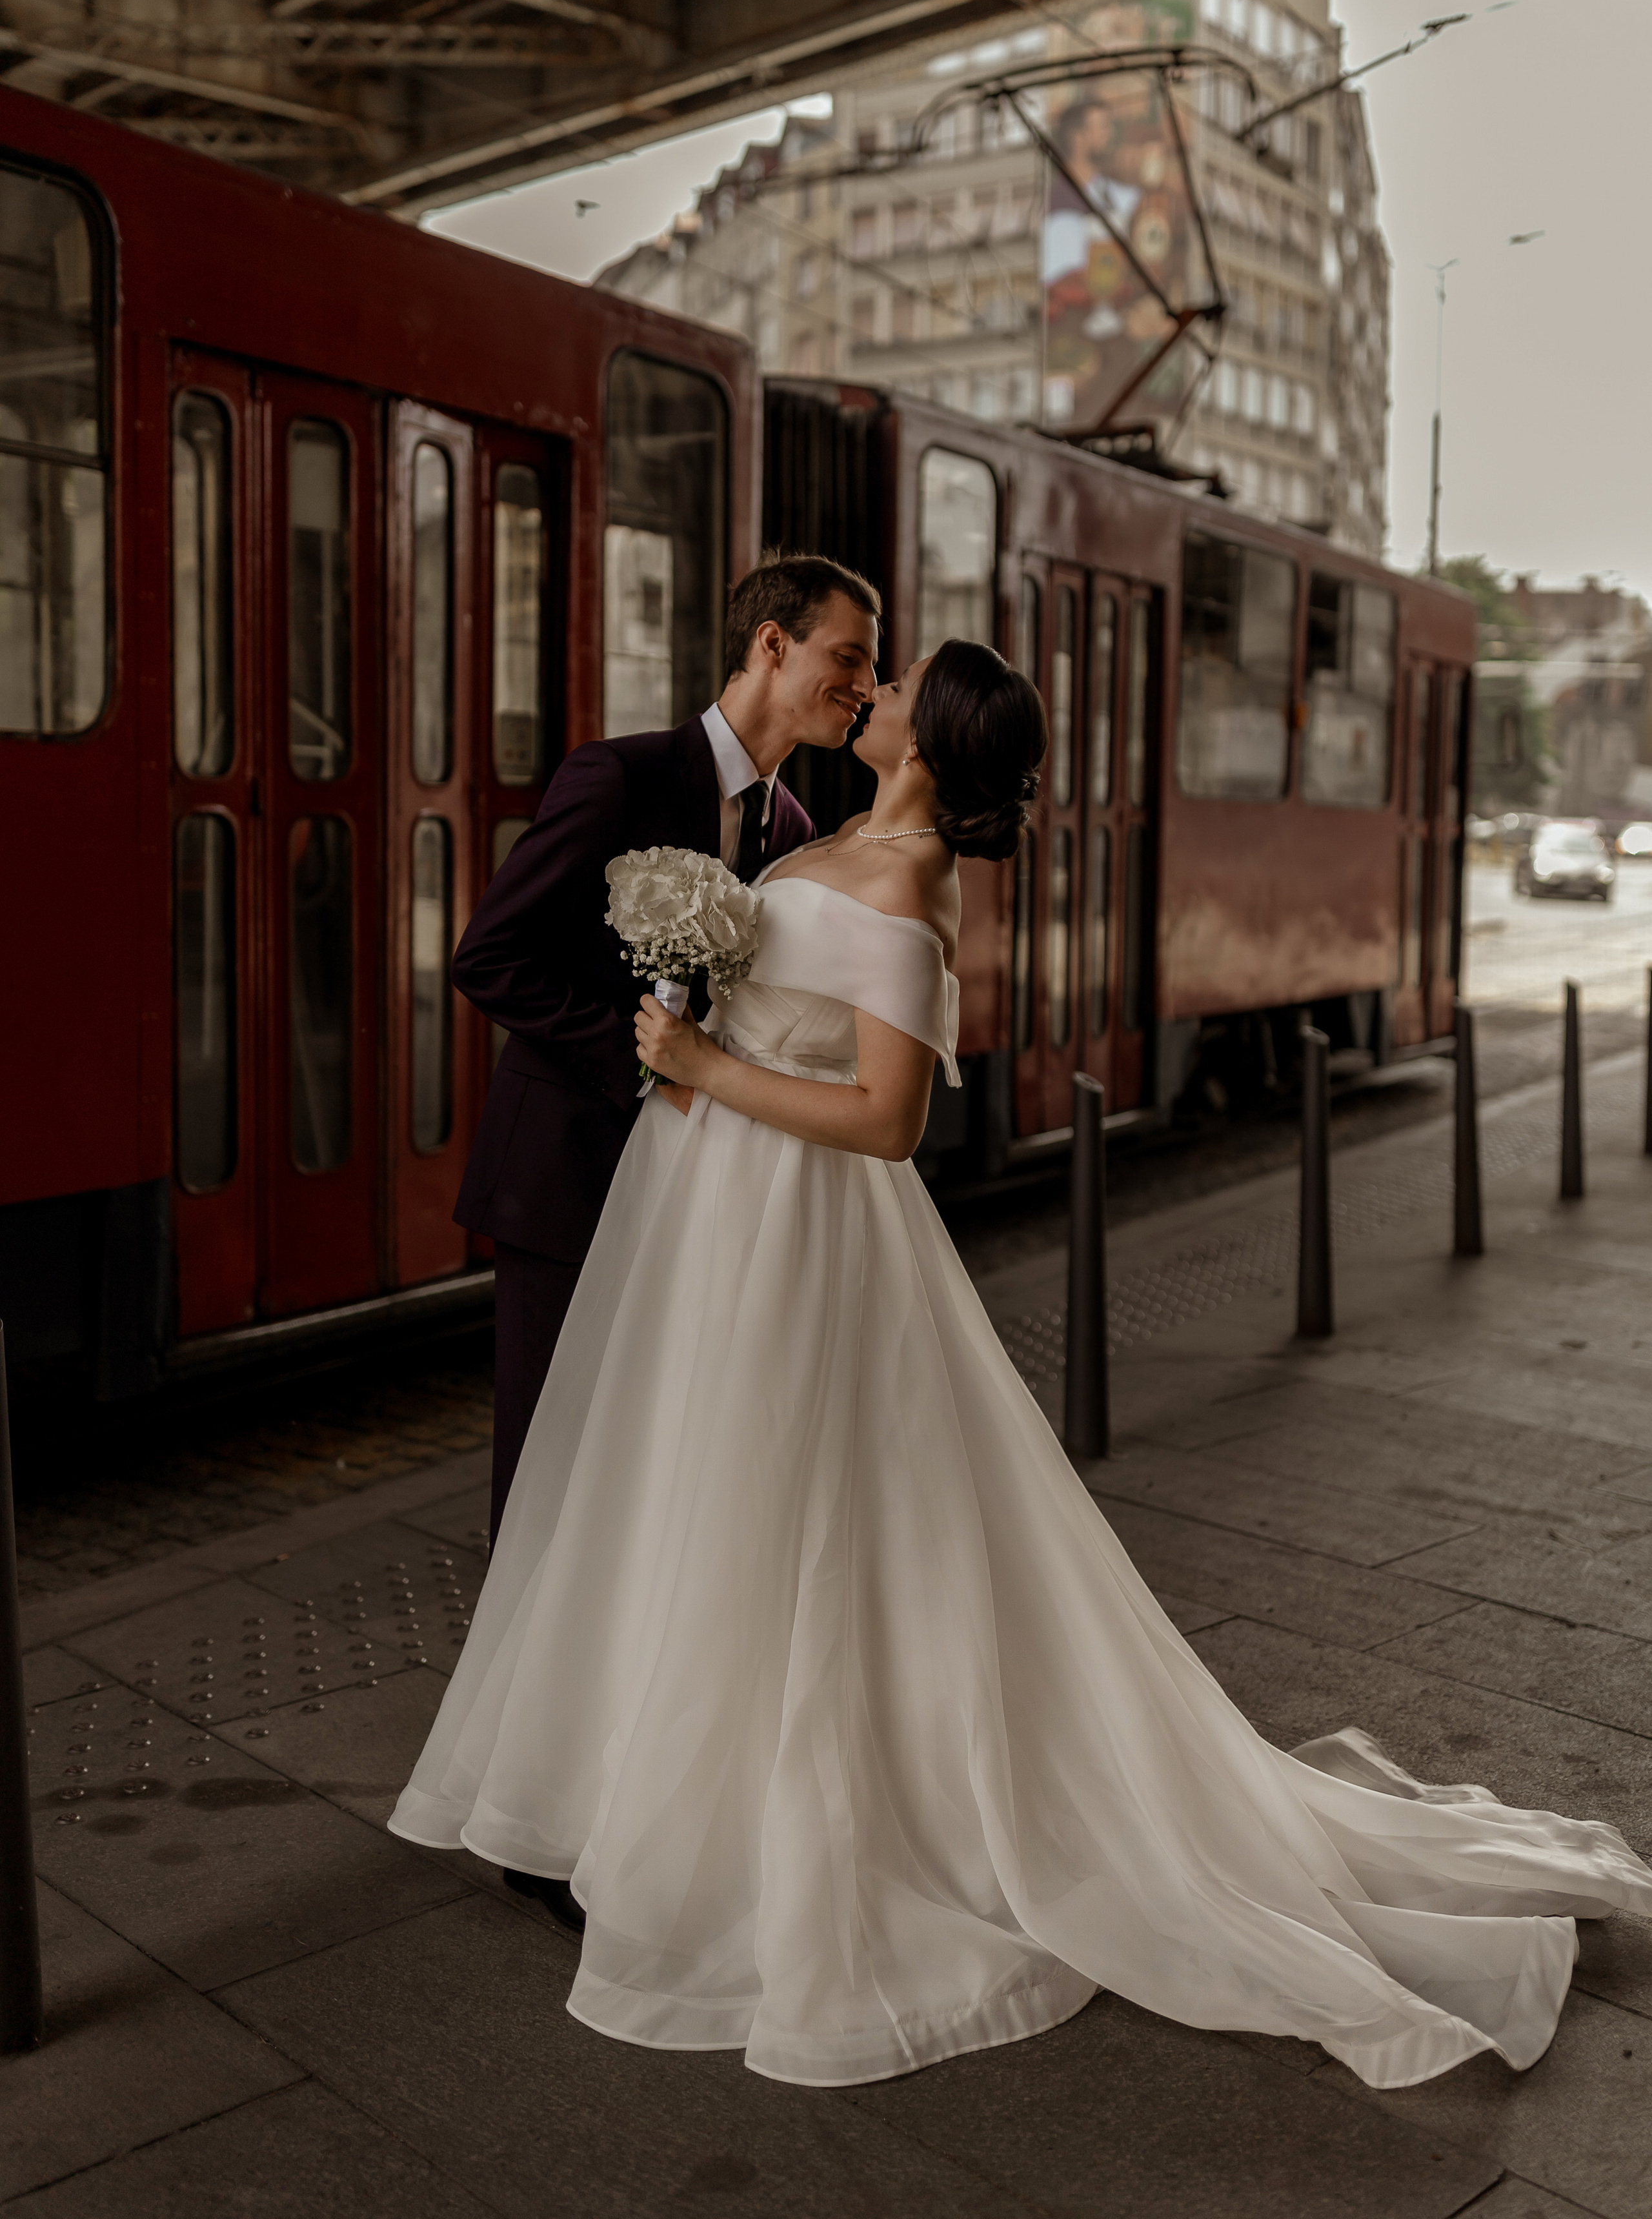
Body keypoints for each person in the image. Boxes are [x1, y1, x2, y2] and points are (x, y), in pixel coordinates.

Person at [394, 639, 1652, 2090]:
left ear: (929, 738)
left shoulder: (906, 886)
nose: (870, 689)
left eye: (896, 680)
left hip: (793, 1225)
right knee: (692, 1494)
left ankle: (761, 1826)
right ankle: (654, 1801)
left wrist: (701, 1069)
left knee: (781, 1515)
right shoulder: (835, 836)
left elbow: (883, 1121)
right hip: (710, 1211)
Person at [449, 551, 878, 1555]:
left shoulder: (798, 830)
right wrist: (646, 1058)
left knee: (646, 1464)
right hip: (566, 1176)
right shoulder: (620, 775)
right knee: (545, 1471)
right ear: (771, 645)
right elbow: (489, 957)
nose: (863, 688)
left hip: (696, 1194)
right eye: (849, 659)